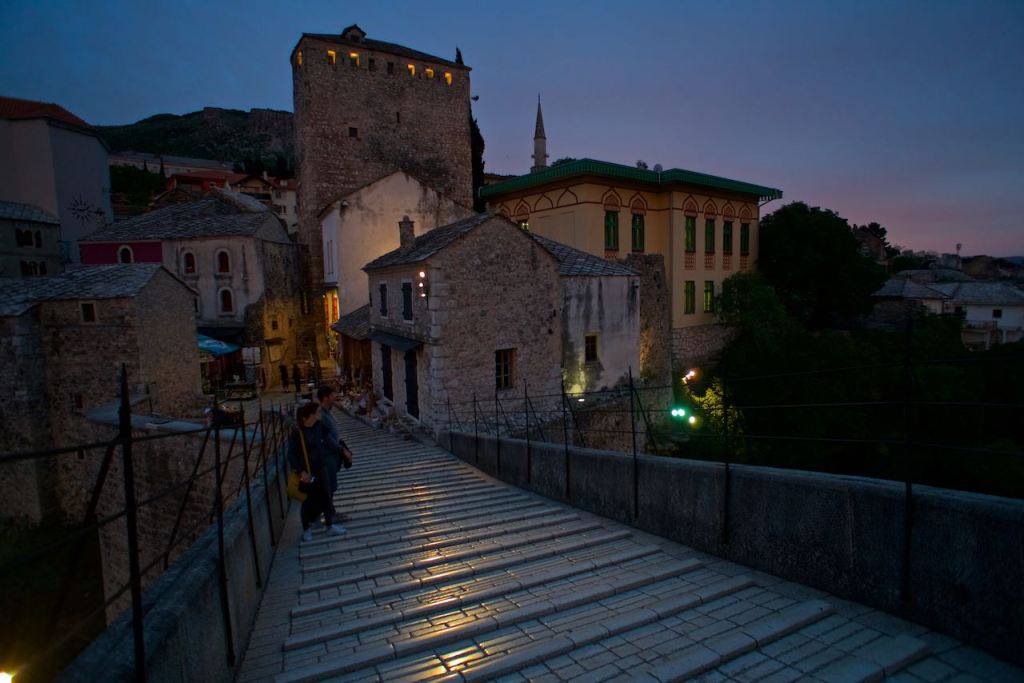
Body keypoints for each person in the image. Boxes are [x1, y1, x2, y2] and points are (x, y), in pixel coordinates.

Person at [287, 401, 346, 542]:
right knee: (308, 501)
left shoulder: (319, 426)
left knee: (326, 495)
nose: (320, 414)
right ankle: (306, 529)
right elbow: (291, 454)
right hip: (307, 472)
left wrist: (342, 451)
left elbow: (330, 440)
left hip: (321, 467)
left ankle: (329, 526)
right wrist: (302, 472)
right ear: (309, 416)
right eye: (318, 412)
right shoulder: (298, 432)